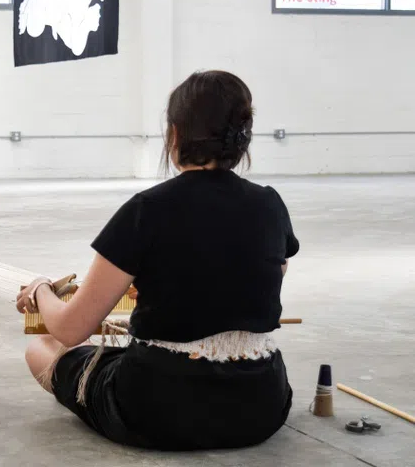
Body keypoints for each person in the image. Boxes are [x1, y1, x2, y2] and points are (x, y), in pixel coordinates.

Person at [17, 70, 299, 451]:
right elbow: (266, 276)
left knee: (43, 348)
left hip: (158, 409)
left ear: (175, 134)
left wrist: (40, 290)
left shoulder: (147, 210)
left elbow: (71, 329)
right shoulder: (270, 204)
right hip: (261, 406)